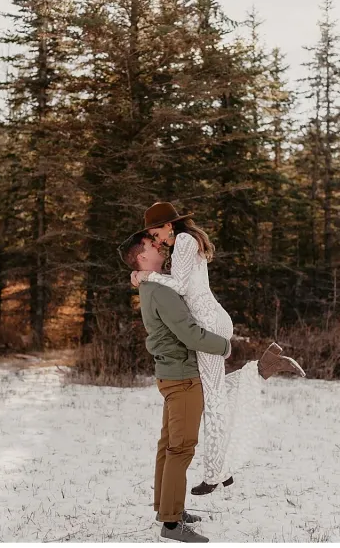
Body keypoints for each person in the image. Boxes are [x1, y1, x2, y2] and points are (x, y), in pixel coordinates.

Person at [129, 202, 304, 495]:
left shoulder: (184, 241)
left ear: (169, 225)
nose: (158, 240)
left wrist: (147, 276)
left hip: (209, 324)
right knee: (214, 391)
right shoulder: (185, 242)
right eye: (153, 237)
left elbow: (180, 286)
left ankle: (215, 474)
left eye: (157, 233)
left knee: (213, 402)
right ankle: (262, 368)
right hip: (211, 320)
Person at [121, 234, 229, 543]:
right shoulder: (160, 292)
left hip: (173, 375)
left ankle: (167, 508)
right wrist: (224, 346)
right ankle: (171, 524)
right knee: (180, 448)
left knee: (168, 445)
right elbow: (190, 334)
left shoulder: (153, 286)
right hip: (183, 378)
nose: (159, 246)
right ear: (141, 257)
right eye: (151, 245)